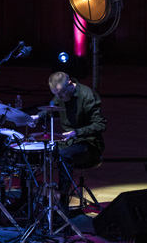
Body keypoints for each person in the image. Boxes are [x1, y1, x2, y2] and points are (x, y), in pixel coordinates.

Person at [31, 71, 106, 214]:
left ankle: (63, 205)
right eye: (56, 94)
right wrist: (37, 117)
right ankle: (28, 201)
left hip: (88, 144)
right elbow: (51, 110)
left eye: (62, 93)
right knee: (33, 149)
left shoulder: (87, 96)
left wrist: (76, 133)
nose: (59, 98)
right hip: (69, 142)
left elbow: (101, 125)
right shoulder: (61, 94)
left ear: (70, 84)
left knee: (63, 156)